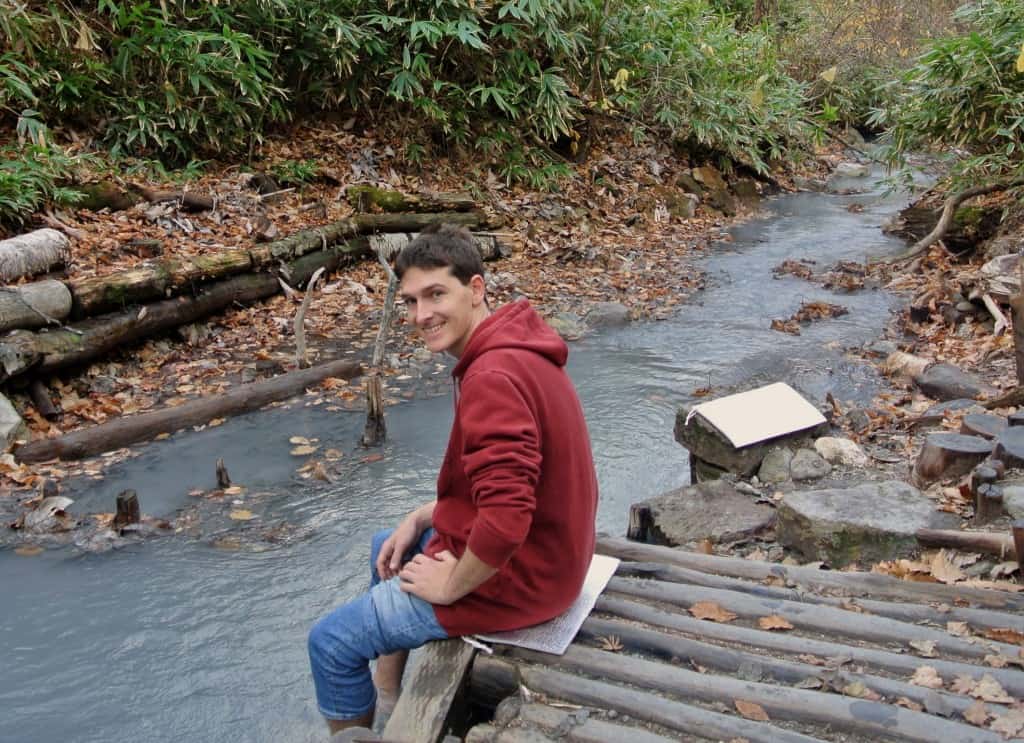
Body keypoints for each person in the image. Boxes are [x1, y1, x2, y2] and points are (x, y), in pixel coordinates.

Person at [307, 223, 598, 735]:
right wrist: (423, 515)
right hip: (556, 557)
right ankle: (390, 701)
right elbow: (505, 485)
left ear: (477, 288)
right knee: (388, 545)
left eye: (436, 294)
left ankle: (371, 716)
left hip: (526, 581)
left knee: (330, 644)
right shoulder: (514, 348)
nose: (421, 316)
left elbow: (506, 520)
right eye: (412, 301)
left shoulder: (491, 378)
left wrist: (450, 586)